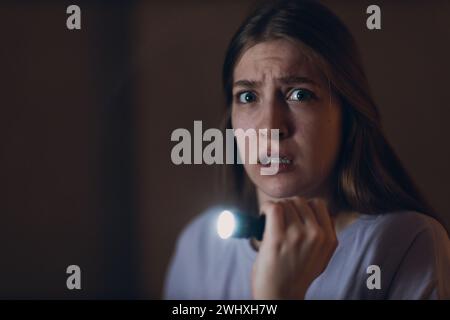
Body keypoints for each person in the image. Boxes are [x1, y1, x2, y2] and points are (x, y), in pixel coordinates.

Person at [164, 0, 450, 299]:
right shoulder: (198, 247)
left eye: (300, 94)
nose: (271, 127)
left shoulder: (406, 243)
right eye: (248, 96)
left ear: (348, 114)